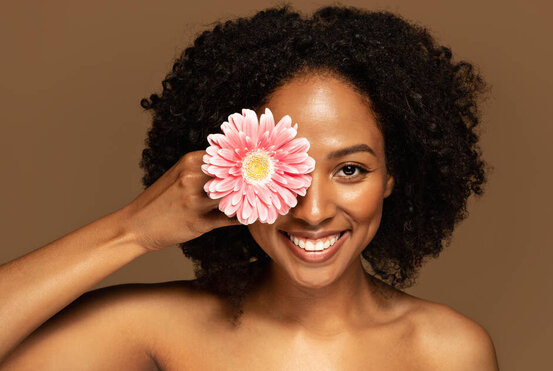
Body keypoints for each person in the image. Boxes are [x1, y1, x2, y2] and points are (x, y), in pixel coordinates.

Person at [0, 4, 499, 370]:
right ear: (234, 169)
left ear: (393, 176)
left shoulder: (448, 351)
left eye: (350, 170)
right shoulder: (159, 330)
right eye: (289, 171)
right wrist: (132, 230)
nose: (313, 210)